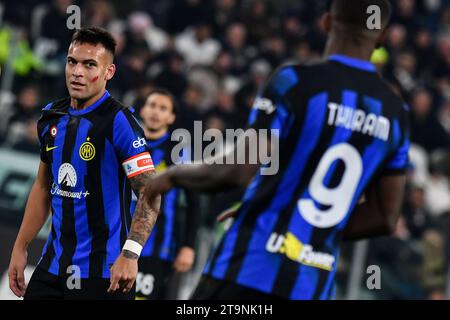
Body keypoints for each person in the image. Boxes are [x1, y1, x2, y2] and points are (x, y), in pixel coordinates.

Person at [144, 0, 410, 300]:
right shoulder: (395, 113)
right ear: (383, 37)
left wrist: (173, 175)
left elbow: (238, 170)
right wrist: (303, 227)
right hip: (312, 286)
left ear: (325, 23)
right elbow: (385, 217)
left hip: (250, 267)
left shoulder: (295, 82)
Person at [8, 27, 161, 300]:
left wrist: (130, 254)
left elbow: (150, 193)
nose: (77, 72)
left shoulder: (120, 122)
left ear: (108, 72)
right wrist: (20, 247)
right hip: (52, 268)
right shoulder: (50, 117)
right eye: (72, 62)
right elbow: (43, 187)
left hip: (104, 274)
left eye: (89, 64)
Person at [134, 88, 199, 299]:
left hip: (158, 249)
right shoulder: (126, 143)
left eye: (163, 108)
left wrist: (188, 246)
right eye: (152, 105)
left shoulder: (179, 152)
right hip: (114, 243)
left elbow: (193, 203)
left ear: (171, 117)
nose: (156, 112)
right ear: (143, 110)